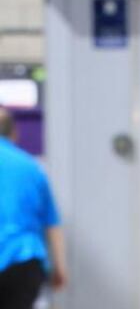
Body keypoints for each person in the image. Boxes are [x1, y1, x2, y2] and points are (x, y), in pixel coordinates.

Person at [0, 107, 67, 309]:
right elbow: (52, 222)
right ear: (14, 133)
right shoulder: (32, 167)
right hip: (25, 260)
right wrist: (60, 267)